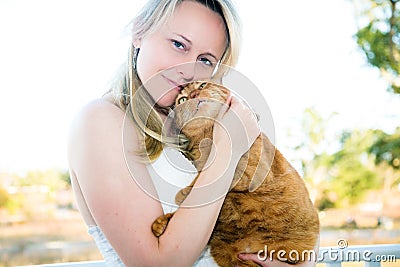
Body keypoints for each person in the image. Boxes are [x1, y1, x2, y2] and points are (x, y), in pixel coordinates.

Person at [68, 0, 318, 266]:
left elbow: (277, 215)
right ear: (139, 32)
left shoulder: (194, 131)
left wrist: (302, 261)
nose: (188, 70)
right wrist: (226, 151)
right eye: (178, 44)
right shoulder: (99, 119)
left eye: (205, 60)